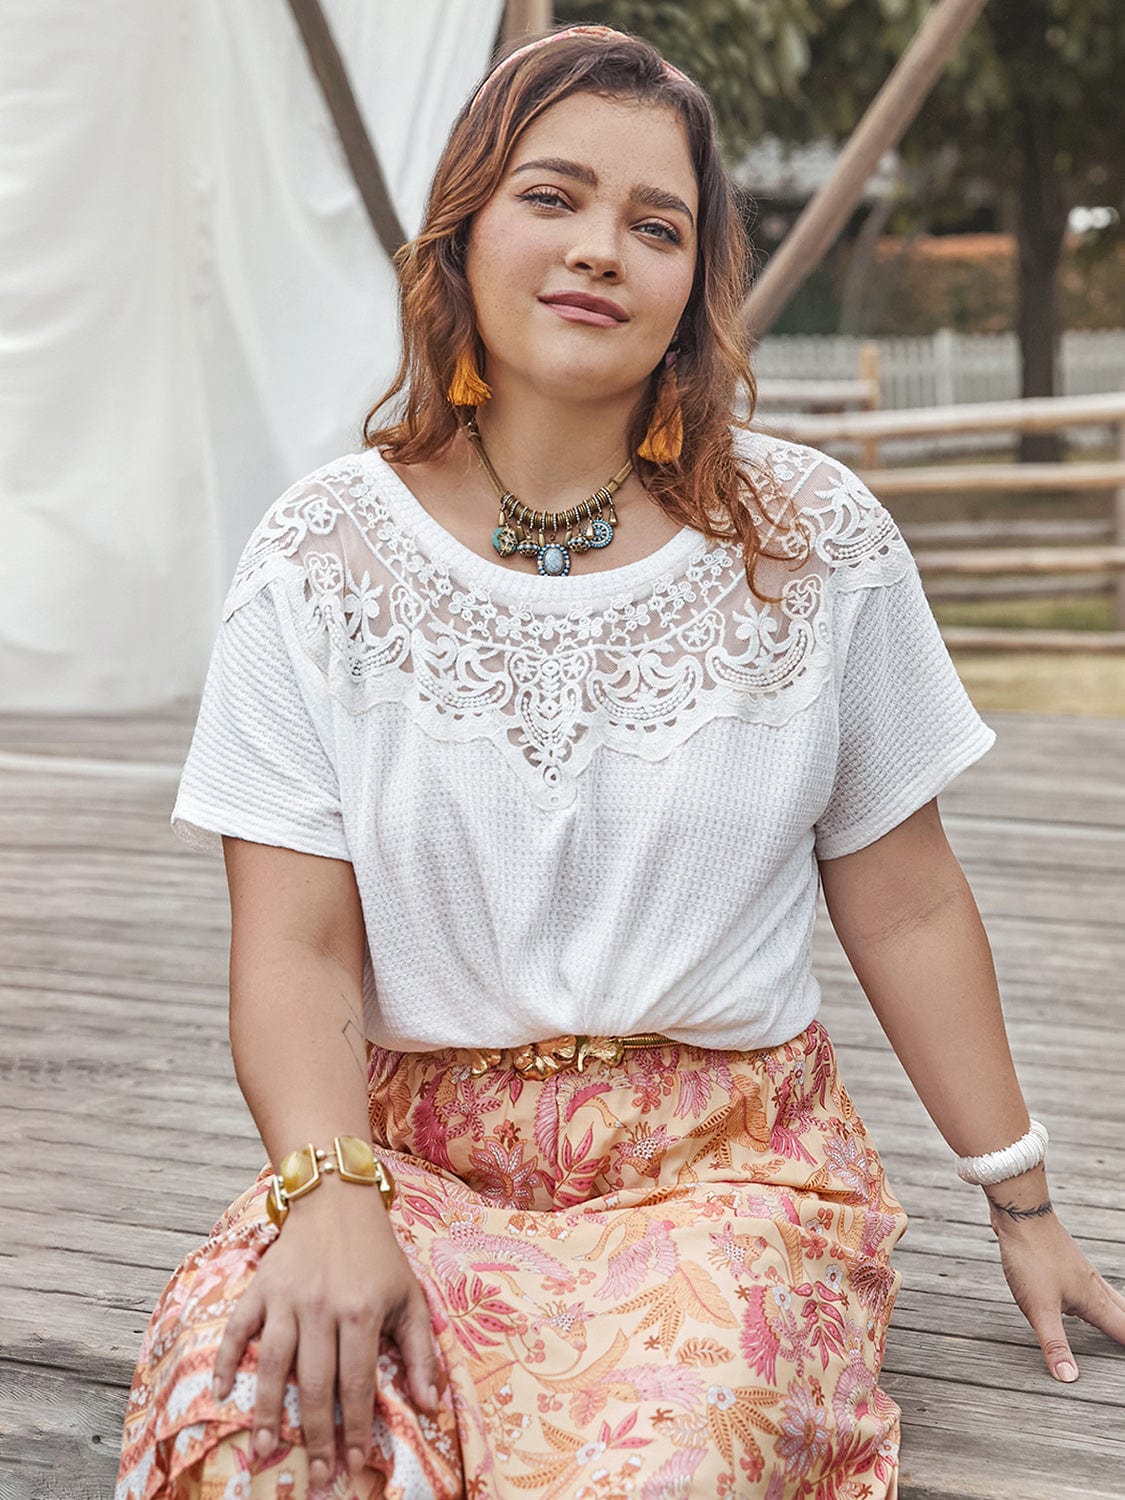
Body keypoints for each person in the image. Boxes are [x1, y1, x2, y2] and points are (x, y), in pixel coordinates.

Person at [114, 24, 1125, 1500]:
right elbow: (296, 947)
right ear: (459, 235)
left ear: (691, 287)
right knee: (259, 1425)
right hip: (409, 1164)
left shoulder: (808, 543)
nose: (601, 249)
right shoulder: (320, 557)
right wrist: (328, 1198)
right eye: (553, 197)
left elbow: (902, 897)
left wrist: (1018, 1198)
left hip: (722, 1171)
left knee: (656, 1464)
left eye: (656, 225)